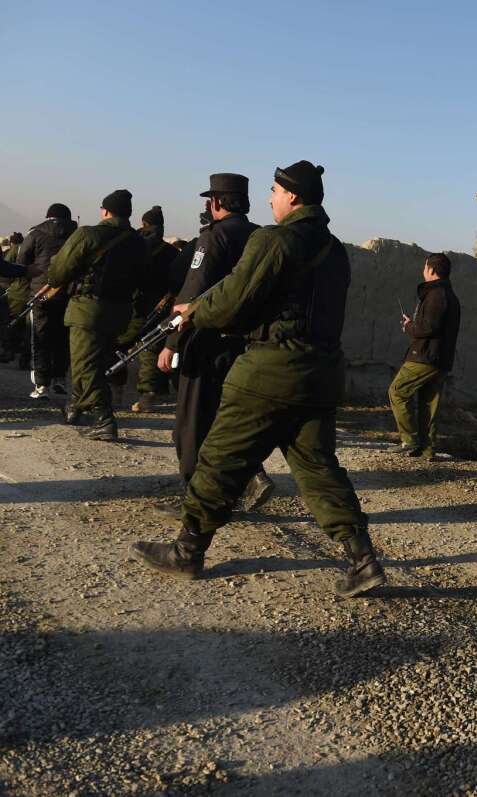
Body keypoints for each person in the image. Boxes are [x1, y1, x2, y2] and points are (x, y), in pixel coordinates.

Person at [131, 161, 385, 598]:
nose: (270, 198)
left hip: (269, 373)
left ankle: (187, 551)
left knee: (220, 458)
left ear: (293, 197)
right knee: (318, 468)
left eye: (274, 190)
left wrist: (195, 312)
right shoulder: (335, 250)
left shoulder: (276, 240)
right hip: (320, 374)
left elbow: (233, 298)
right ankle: (363, 561)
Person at [154, 174, 274, 514]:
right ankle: (251, 475)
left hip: (205, 342)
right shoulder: (261, 237)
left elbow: (192, 296)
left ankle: (198, 499)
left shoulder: (214, 237)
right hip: (248, 346)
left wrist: (172, 343)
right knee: (229, 420)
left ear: (215, 203)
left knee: (191, 425)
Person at [46, 189, 148, 441]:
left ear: (105, 211)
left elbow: (59, 271)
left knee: (84, 366)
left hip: (88, 311)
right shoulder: (138, 242)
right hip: (121, 313)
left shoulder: (88, 234)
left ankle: (103, 419)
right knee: (95, 363)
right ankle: (75, 408)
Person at [387, 251, 460, 458]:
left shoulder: (437, 295)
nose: (423, 271)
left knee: (398, 391)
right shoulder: (449, 296)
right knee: (428, 403)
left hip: (425, 356)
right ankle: (427, 450)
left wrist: (410, 327)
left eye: (425, 267)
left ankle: (408, 440)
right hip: (440, 358)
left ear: (432, 270)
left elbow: (429, 327)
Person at [16, 204, 77, 398]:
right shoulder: (77, 235)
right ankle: (60, 379)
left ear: (48, 216)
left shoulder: (35, 234)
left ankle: (41, 385)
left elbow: (21, 263)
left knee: (39, 338)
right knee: (62, 337)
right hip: (68, 293)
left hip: (41, 294)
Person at [126, 205, 177, 411]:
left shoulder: (137, 246)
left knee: (145, 345)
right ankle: (158, 388)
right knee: (157, 344)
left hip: (140, 303)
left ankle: (148, 394)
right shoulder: (171, 252)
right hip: (164, 303)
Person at [2, 232, 29, 369]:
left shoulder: (16, 249)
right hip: (37, 294)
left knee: (11, 321)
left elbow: (5, 267)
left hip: (17, 291)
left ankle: (8, 350)